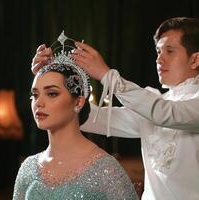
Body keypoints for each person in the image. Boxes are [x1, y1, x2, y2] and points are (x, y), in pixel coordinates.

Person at [31, 17, 199, 200]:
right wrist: (53, 79)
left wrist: (107, 75)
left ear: (195, 59)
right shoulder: (152, 104)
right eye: (158, 51)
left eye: (170, 51)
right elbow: (94, 118)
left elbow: (167, 113)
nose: (159, 59)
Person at [13, 32, 138, 200]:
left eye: (52, 94)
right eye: (35, 95)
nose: (39, 103)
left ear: (78, 102)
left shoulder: (105, 169)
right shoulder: (28, 168)